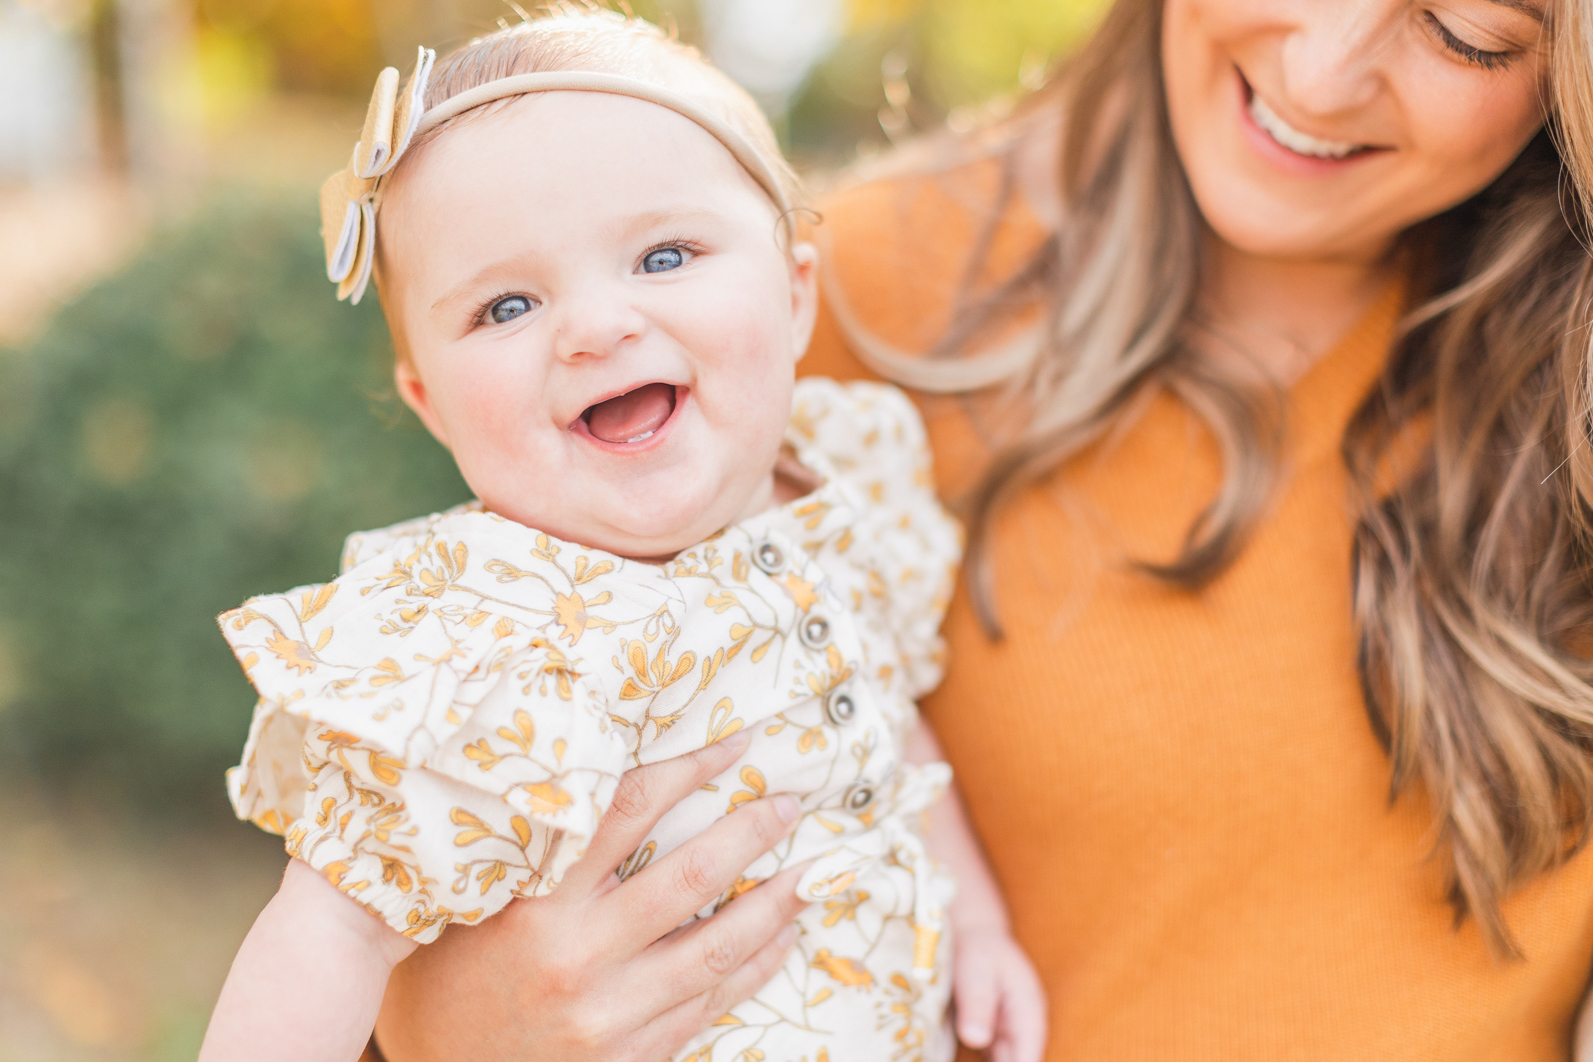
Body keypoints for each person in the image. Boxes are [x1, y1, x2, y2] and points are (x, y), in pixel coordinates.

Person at [365, 0, 1593, 1060]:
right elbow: (483, 814)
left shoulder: (1567, 401)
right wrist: (436, 1032)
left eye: (1462, 31)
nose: (1320, 73)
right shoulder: (783, 321)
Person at [196, 11, 1045, 1062]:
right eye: (506, 306)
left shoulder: (841, 500)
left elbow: (893, 720)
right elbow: (327, 929)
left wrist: (977, 924)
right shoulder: (490, 630)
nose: (595, 326)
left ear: (793, 298)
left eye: (664, 253)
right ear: (431, 404)